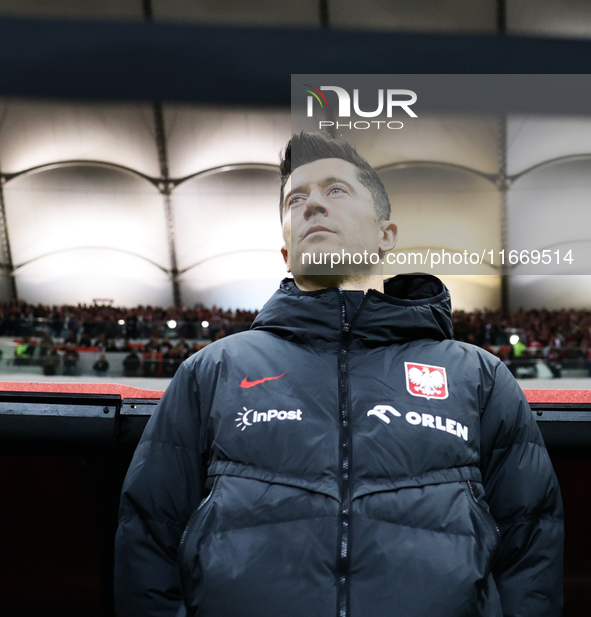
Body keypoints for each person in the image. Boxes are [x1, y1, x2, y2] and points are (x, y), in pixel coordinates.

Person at [115, 132, 563, 617]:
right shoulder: (214, 370)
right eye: (295, 199)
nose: (310, 207)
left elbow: (531, 545)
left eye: (335, 190)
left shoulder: (477, 375)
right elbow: (148, 537)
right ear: (286, 252)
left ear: (386, 236)